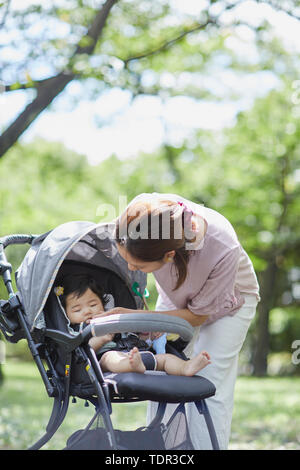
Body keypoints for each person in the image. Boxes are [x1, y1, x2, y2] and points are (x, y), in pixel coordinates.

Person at [91, 192, 260, 449]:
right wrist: (145, 319)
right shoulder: (142, 215)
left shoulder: (223, 247)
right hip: (177, 297)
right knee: (159, 376)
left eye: (139, 266)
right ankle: (164, 448)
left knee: (209, 380)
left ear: (169, 256)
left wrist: (139, 318)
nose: (133, 269)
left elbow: (198, 316)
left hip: (228, 304)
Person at [54, 273, 211, 377]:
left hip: (141, 353)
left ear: (103, 304)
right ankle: (131, 366)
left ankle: (185, 367)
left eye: (93, 304)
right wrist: (101, 340)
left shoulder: (114, 317)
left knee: (165, 359)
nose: (87, 311)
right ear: (66, 314)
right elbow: (82, 353)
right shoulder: (77, 330)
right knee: (110, 357)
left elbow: (135, 332)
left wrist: (148, 334)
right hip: (109, 358)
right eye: (77, 309)